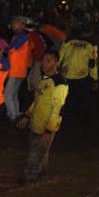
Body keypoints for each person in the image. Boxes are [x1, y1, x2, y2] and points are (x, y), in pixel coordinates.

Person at [17, 51, 68, 182]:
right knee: (41, 153)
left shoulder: (60, 83)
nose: (44, 63)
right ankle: (41, 175)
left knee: (34, 154)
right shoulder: (44, 79)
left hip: (45, 125)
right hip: (36, 123)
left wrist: (49, 130)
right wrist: (27, 116)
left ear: (56, 62)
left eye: (49, 60)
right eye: (44, 60)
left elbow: (58, 108)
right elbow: (37, 101)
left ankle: (28, 179)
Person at [58, 28, 98, 127]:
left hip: (66, 75)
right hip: (81, 77)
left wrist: (55, 71)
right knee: (83, 98)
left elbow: (59, 58)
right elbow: (92, 65)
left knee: (66, 98)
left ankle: (65, 119)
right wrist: (95, 79)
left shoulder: (68, 43)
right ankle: (84, 120)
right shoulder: (91, 46)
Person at [4, 16, 33, 122]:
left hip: (16, 70)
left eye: (15, 22)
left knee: (7, 94)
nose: (13, 24)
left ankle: (12, 115)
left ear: (23, 25)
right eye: (13, 22)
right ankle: (16, 113)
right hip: (19, 69)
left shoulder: (22, 37)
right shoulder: (19, 36)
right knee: (13, 93)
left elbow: (10, 49)